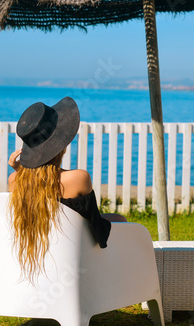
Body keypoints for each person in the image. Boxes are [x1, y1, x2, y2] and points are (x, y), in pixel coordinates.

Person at [8, 97, 126, 284]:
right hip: (77, 256)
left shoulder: (14, 181)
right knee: (120, 220)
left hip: (42, 254)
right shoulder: (78, 178)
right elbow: (96, 227)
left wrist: (19, 172)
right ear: (60, 145)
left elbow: (40, 200)